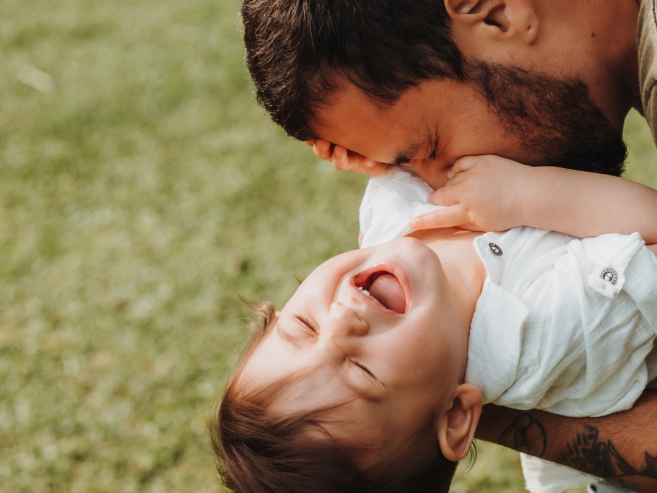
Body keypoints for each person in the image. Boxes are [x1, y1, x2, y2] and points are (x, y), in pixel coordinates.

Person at [239, 0, 657, 488]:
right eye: (404, 164)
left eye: (430, 148)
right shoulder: (546, 333)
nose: (341, 319)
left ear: (496, 12)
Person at [210, 159, 657, 493]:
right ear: (457, 415)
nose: (342, 320)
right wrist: (527, 195)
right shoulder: (550, 335)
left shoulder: (384, 218)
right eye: (362, 372)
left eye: (304, 327)